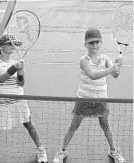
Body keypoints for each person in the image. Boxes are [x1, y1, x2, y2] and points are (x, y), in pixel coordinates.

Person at [52, 28, 125, 163]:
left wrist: (118, 66)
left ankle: (113, 150)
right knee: (74, 126)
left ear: (101, 43)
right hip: (84, 99)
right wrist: (111, 68)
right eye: (91, 43)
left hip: (101, 99)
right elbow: (92, 75)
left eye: (97, 42)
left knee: (105, 126)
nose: (95, 45)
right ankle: (62, 151)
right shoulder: (83, 60)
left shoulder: (106, 58)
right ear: (85, 44)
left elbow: (115, 75)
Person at [0, 34, 48, 163]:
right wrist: (15, 68)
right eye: (10, 44)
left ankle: (41, 149)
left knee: (29, 124)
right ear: (0, 47)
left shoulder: (16, 62)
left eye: (14, 44)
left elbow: (20, 84)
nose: (13, 46)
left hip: (18, 101)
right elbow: (1, 78)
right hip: (2, 102)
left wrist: (20, 73)